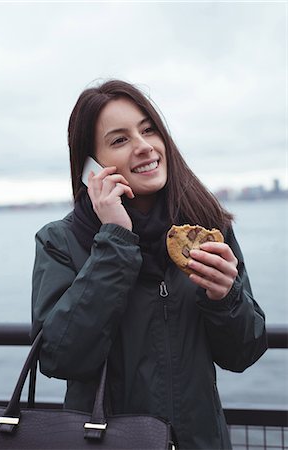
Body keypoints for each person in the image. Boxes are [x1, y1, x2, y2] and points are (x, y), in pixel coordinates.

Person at [31, 79, 267, 449]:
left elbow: (244, 353)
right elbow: (60, 358)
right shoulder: (61, 241)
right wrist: (115, 242)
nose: (144, 147)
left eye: (148, 129)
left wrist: (226, 298)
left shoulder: (207, 230)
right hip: (104, 442)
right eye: (120, 140)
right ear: (92, 166)